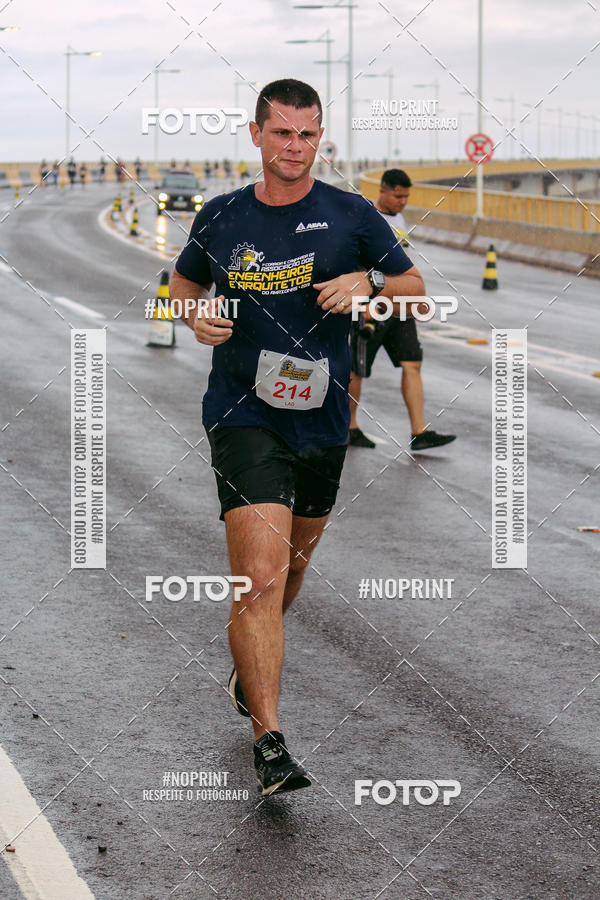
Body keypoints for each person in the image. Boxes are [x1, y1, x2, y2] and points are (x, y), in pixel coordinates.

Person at [171, 79, 425, 796]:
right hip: (242, 414)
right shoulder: (222, 215)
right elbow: (181, 288)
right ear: (256, 134)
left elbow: (414, 287)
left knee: (291, 570)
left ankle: (248, 665)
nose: (294, 146)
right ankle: (270, 741)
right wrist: (193, 317)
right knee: (259, 578)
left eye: (307, 134)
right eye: (281, 132)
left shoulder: (352, 214)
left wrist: (370, 285)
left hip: (322, 420)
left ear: (321, 138)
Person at [348, 168, 456, 451]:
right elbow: (356, 263)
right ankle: (349, 427)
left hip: (400, 307)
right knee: (356, 370)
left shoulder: (399, 218)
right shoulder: (369, 219)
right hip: (372, 306)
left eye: (406, 197)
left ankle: (419, 432)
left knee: (412, 363)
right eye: (398, 196)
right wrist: (365, 303)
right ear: (382, 190)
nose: (403, 202)